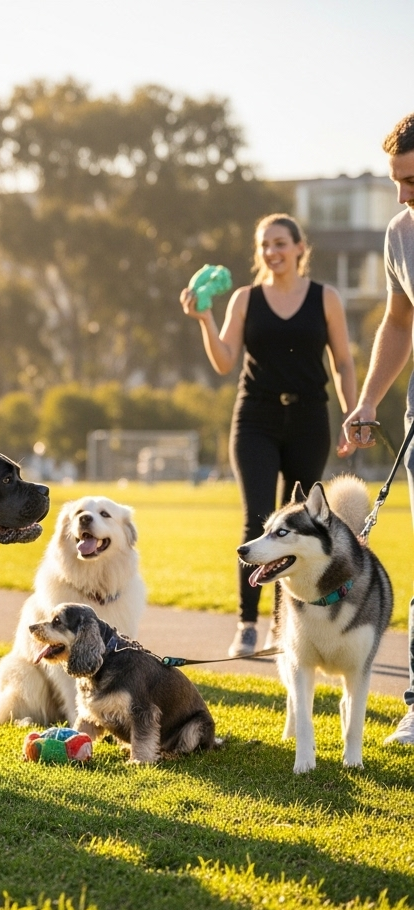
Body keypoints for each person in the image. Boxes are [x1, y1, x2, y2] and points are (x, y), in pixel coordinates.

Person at [181, 214, 357, 656]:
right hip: (255, 419)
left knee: (297, 525)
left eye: (281, 243)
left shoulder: (326, 298)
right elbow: (224, 361)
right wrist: (204, 317)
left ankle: (284, 627)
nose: (272, 252)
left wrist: (354, 411)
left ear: (300, 247)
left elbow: (343, 363)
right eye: (265, 246)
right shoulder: (245, 299)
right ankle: (246, 625)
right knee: (257, 516)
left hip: (309, 419)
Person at [340, 112, 414, 745]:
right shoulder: (400, 233)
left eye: (413, 181)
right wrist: (368, 400)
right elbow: (397, 323)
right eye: (397, 182)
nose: (403, 195)